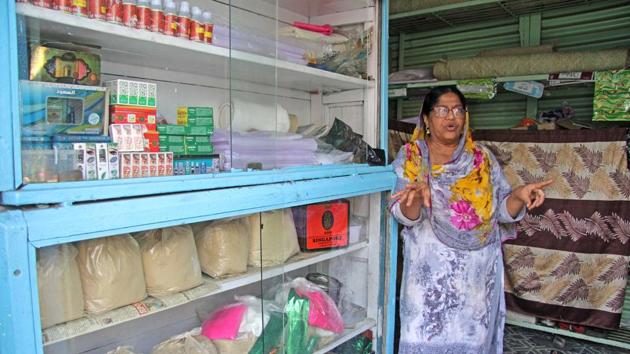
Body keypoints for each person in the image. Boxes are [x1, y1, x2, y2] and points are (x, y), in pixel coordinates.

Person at [389, 86, 552, 353]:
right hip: (430, 284)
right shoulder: (412, 157)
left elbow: (499, 210)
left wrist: (519, 196)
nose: (450, 116)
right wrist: (416, 200)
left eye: (457, 110)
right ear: (427, 119)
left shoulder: (482, 159)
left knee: (470, 344)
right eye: (442, 110)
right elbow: (403, 215)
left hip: (475, 283)